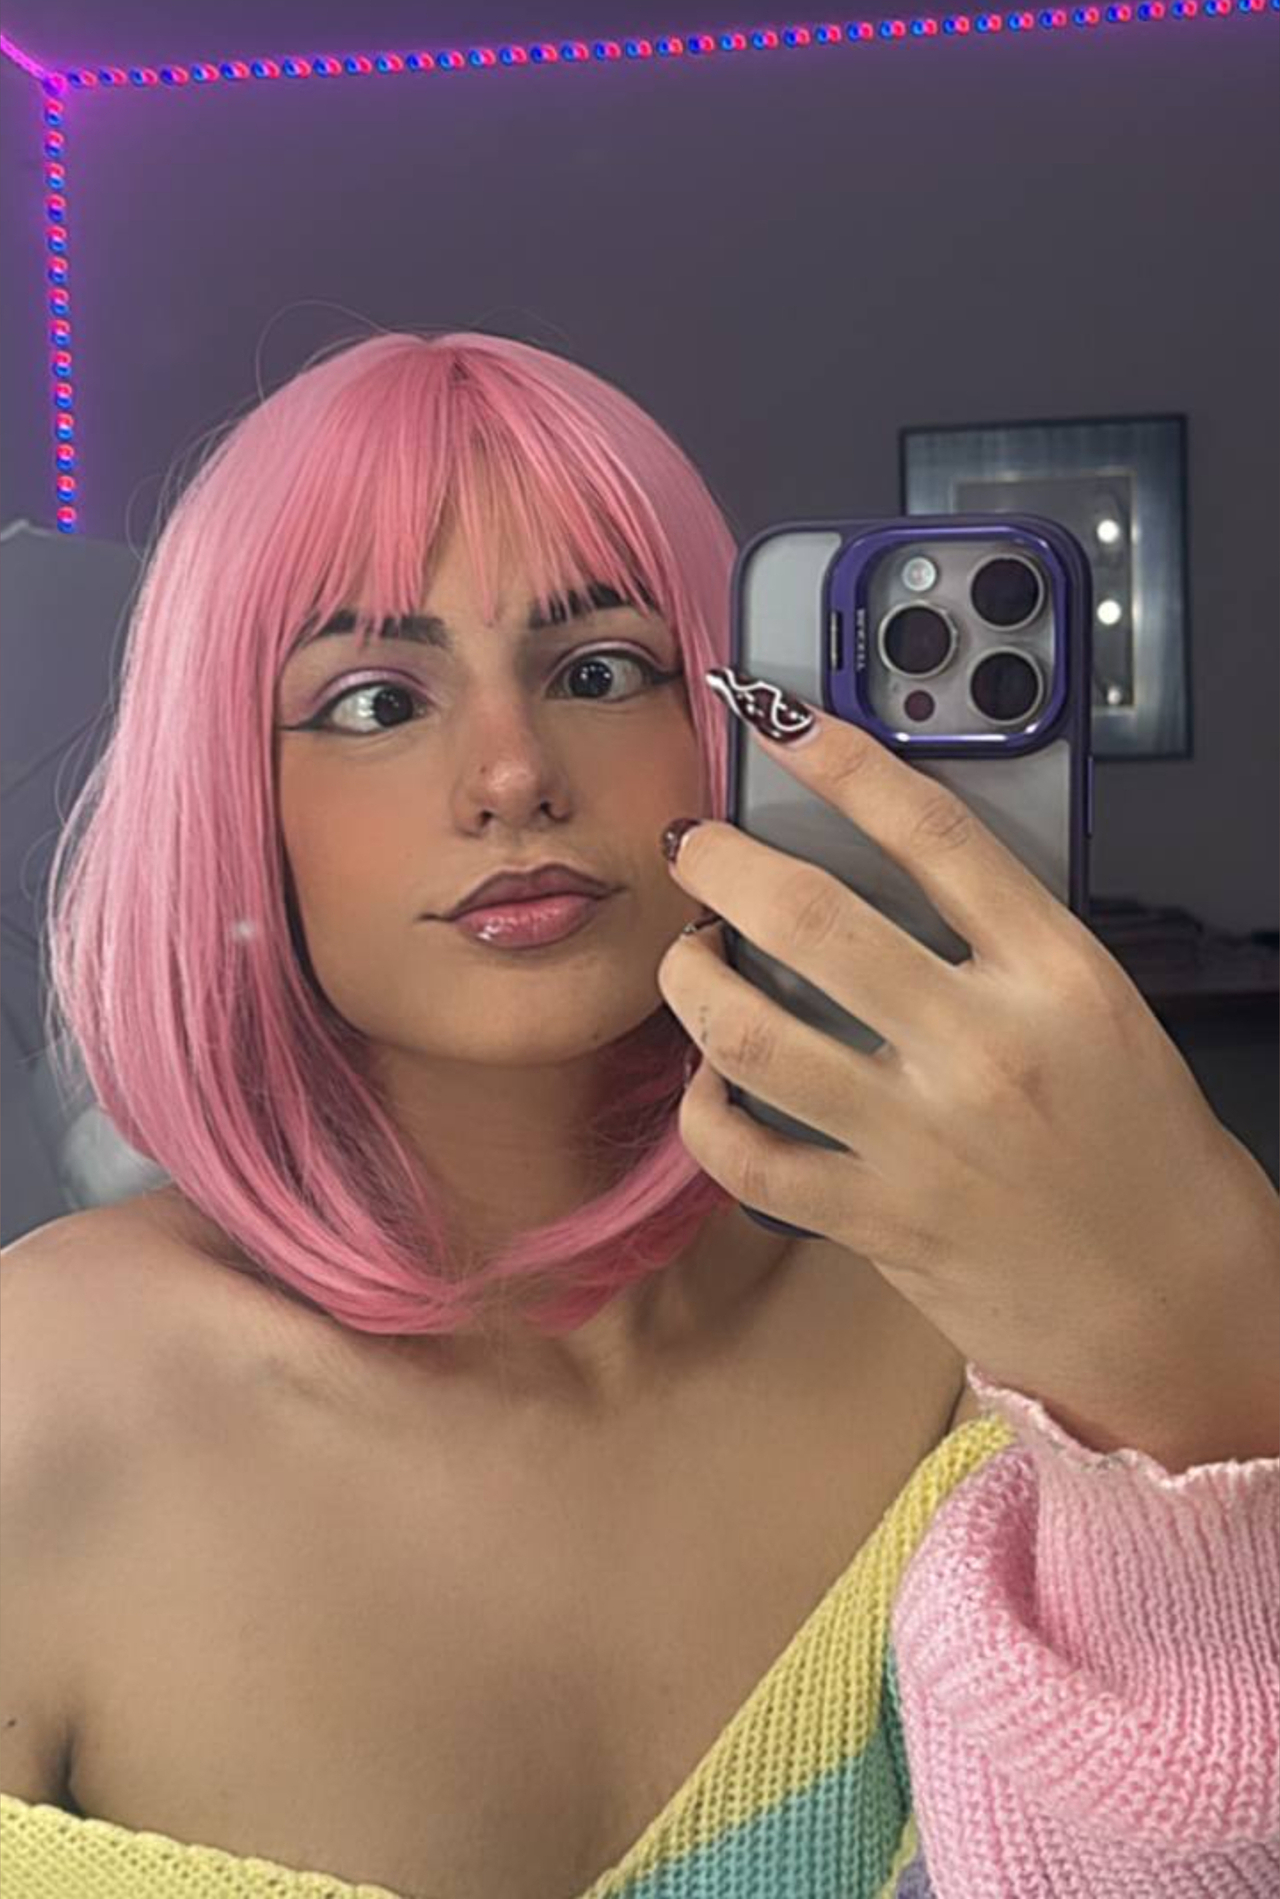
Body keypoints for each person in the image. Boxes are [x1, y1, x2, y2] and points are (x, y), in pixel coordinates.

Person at [2, 334, 1274, 1899]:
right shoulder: (36, 1399)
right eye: (375, 699)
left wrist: (1206, 1391)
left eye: (602, 670)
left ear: (725, 726)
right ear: (228, 800)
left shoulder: (975, 1342)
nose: (513, 774)